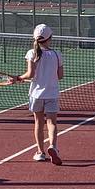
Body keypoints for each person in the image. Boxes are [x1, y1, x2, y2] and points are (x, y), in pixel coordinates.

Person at [18, 23, 64, 164]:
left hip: (36, 95)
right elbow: (60, 75)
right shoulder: (57, 54)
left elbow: (30, 74)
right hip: (52, 94)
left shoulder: (32, 53)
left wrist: (19, 78)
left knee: (38, 122)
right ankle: (53, 146)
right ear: (50, 38)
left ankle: (40, 152)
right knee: (52, 122)